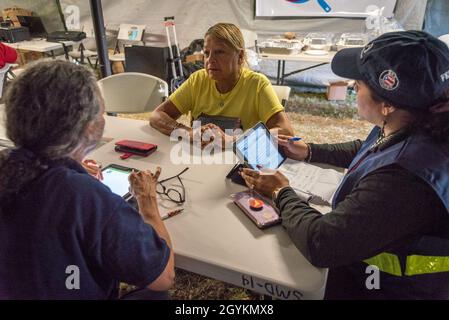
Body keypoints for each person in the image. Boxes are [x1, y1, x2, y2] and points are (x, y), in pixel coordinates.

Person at [240, 31, 449, 299]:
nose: (351, 87)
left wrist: (281, 192)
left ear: (386, 105)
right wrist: (310, 151)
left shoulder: (405, 180)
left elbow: (323, 243)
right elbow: (371, 147)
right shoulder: (417, 119)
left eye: (358, 85)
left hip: (384, 289)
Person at [0, 61, 175, 299]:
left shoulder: (7, 164)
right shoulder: (82, 195)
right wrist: (148, 202)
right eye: (101, 113)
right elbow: (164, 277)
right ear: (88, 126)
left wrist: (68, 167)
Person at [150, 22, 294, 148]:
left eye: (220, 52)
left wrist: (232, 140)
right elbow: (157, 115)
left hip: (239, 165)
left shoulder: (257, 85)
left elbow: (285, 132)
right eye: (206, 53)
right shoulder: (198, 80)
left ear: (240, 56)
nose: (210, 60)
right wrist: (187, 132)